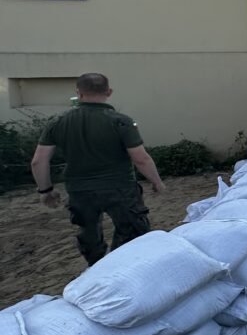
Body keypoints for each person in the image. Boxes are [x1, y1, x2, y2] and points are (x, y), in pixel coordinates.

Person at [30, 73, 167, 265]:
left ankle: (96, 267)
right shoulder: (121, 121)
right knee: (132, 232)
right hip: (120, 188)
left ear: (78, 93)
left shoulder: (58, 122)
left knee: (89, 234)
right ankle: (120, 266)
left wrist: (45, 190)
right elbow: (141, 159)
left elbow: (38, 161)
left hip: (80, 191)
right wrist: (157, 182)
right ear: (109, 92)